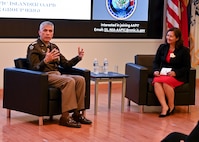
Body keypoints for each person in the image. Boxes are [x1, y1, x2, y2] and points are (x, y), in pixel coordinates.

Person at [26, 21, 92, 128]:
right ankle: (65, 117)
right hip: (43, 76)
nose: (48, 33)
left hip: (57, 75)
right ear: (39, 32)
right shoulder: (34, 47)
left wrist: (78, 58)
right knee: (69, 81)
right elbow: (34, 68)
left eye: (50, 31)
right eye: (45, 30)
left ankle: (77, 114)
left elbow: (66, 65)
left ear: (53, 34)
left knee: (80, 79)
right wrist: (46, 61)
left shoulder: (54, 47)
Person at [152, 27, 191, 117]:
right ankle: (164, 107)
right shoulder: (162, 47)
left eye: (171, 36)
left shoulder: (184, 51)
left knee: (166, 83)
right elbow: (156, 62)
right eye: (167, 35)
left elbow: (186, 67)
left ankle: (171, 105)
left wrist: (175, 73)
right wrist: (156, 70)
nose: (168, 38)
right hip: (163, 74)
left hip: (177, 75)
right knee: (157, 82)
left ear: (177, 38)